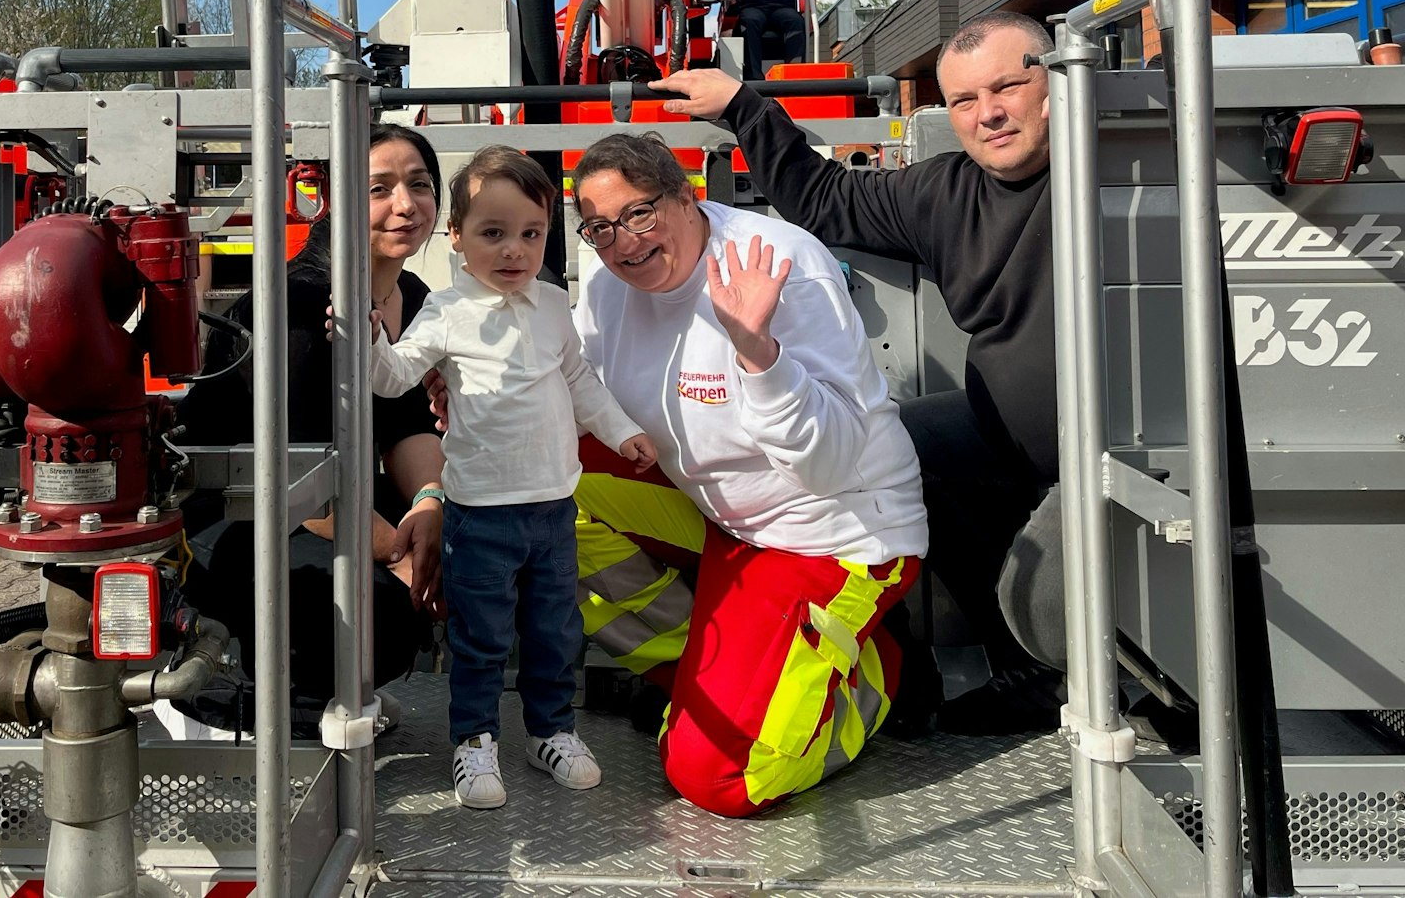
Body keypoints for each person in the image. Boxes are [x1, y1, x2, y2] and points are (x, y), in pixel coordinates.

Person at [649, 11, 1071, 736]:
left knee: (1060, 584)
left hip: (1119, 453)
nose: (989, 113)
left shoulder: (1128, 160)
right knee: (897, 448)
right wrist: (744, 104)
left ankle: (1085, 666)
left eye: (1008, 85)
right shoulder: (944, 192)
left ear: (1058, 78)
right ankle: (1010, 664)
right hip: (1010, 433)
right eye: (965, 100)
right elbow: (824, 198)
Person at [563, 132, 928, 817]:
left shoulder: (780, 264)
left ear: (685, 193)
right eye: (601, 228)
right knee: (545, 486)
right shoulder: (612, 289)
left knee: (713, 775)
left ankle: (872, 679)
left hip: (831, 532)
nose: (624, 243)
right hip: (726, 522)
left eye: (640, 213)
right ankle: (702, 673)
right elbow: (584, 388)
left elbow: (833, 458)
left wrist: (759, 355)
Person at [361, 145, 657, 810]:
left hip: (553, 509)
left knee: (556, 631)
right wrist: (368, 336)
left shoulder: (553, 306)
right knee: (481, 634)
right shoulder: (443, 310)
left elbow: (581, 382)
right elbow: (391, 377)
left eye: (530, 233)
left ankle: (551, 730)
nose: (513, 249)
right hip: (480, 512)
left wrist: (622, 431)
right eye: (492, 233)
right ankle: (473, 741)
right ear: (457, 237)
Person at [175, 124, 449, 733]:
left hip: (329, 496)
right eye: (379, 188)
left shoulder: (412, 294)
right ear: (339, 200)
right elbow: (295, 467)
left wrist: (428, 508)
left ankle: (327, 690)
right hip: (238, 514)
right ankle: (228, 700)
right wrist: (397, 552)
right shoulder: (296, 305)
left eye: (420, 185)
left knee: (469, 545)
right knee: (378, 609)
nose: (405, 205)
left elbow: (407, 419)